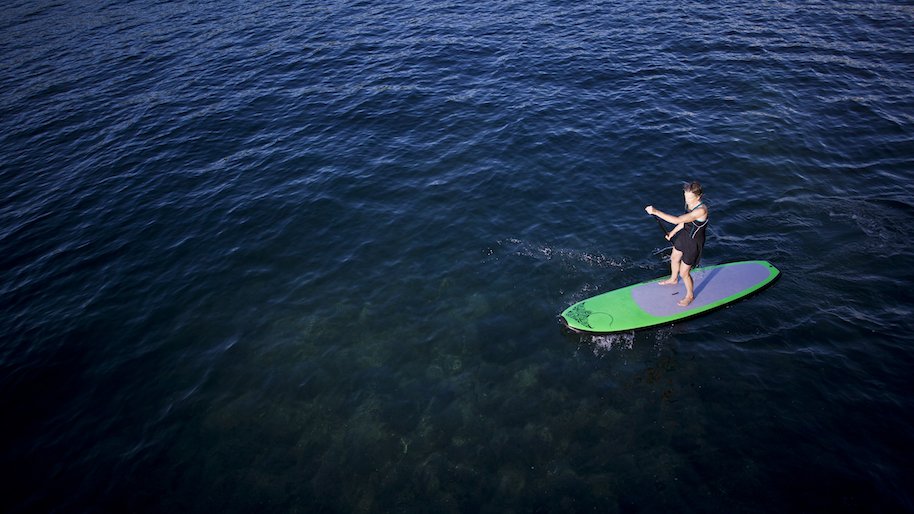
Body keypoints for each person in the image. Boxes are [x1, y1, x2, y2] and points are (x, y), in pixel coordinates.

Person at [644, 181, 709, 307]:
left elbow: (677, 220)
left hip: (693, 243)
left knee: (684, 273)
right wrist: (672, 233)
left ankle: (690, 295)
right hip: (684, 235)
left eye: (690, 198)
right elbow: (685, 222)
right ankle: (673, 279)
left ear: (698, 196)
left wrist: (655, 212)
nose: (687, 200)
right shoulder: (691, 205)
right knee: (674, 257)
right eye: (685, 196)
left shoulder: (701, 210)